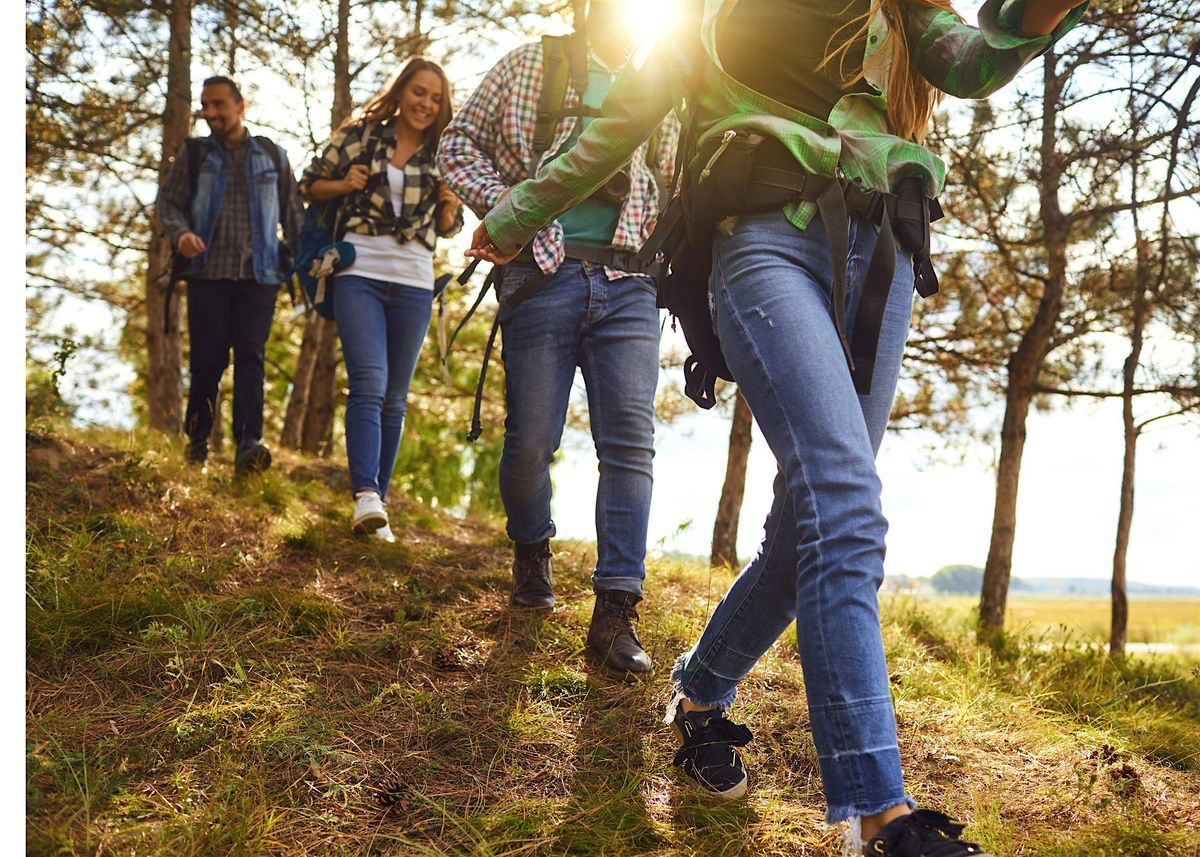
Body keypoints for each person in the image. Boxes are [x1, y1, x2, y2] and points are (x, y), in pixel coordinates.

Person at [465, 0, 1088, 853]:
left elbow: (971, 60)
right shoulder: (705, 19)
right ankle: (881, 819)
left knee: (809, 531)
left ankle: (701, 692)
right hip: (762, 240)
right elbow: (614, 128)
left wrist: (1038, 13)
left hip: (884, 252)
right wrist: (509, 220)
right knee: (846, 507)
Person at [438, 0, 678, 681]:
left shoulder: (665, 75)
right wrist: (516, 206)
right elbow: (455, 147)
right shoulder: (529, 66)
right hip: (542, 277)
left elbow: (678, 173)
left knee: (630, 443)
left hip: (629, 278)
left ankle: (615, 612)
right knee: (531, 441)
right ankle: (531, 551)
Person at [300, 59, 463, 544]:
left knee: (395, 397)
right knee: (368, 382)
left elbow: (449, 227)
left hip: (415, 279)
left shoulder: (443, 152)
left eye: (435, 98)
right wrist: (343, 184)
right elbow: (309, 183)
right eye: (419, 92)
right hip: (359, 271)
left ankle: (378, 510)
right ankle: (365, 492)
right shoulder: (363, 135)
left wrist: (450, 206)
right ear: (402, 91)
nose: (426, 104)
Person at [157, 75, 302, 475]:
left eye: (219, 104)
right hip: (207, 274)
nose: (211, 113)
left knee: (251, 358)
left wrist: (299, 263)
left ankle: (248, 446)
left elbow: (293, 215)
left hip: (261, 275)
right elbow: (168, 204)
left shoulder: (272, 155)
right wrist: (182, 233)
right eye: (206, 106)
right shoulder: (195, 155)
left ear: (241, 105)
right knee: (207, 361)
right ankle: (197, 444)